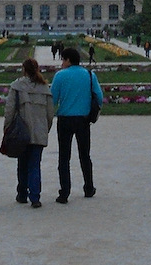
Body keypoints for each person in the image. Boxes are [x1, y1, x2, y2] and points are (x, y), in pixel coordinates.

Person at [49, 47, 104, 204]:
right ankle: (88, 188)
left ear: (67, 60)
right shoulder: (89, 74)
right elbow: (99, 97)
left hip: (65, 119)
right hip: (83, 119)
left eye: (62, 59)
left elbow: (52, 99)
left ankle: (64, 192)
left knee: (64, 157)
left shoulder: (60, 76)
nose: (61, 63)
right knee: (85, 155)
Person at [5, 58, 56, 208]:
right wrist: (45, 129)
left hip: (22, 131)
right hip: (39, 131)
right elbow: (50, 114)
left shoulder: (17, 86)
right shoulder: (44, 88)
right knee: (35, 165)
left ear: (24, 69)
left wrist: (7, 127)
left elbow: (9, 110)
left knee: (22, 164)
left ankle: (22, 194)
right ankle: (35, 197)